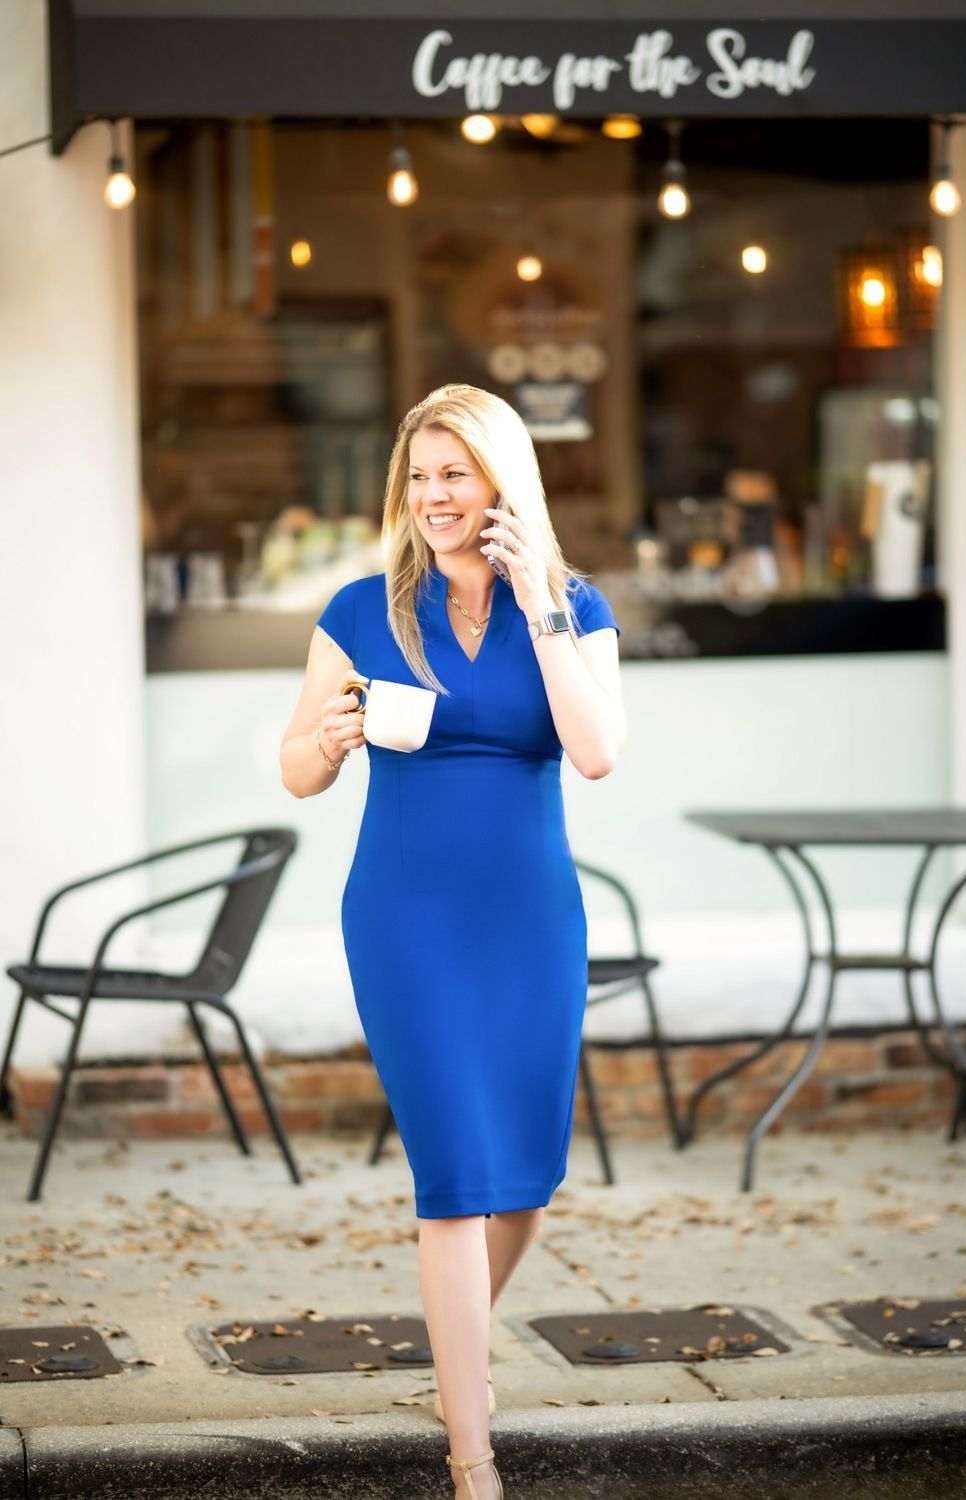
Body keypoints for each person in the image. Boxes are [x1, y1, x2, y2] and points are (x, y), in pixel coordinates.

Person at [279, 383, 626, 1498]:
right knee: (456, 1181)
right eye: (418, 476)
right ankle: (470, 1458)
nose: (432, 496)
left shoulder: (572, 604)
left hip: (530, 917)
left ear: (500, 485)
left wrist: (538, 601)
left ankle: (453, 1357)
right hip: (407, 918)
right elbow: (293, 765)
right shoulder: (360, 608)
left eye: (454, 475)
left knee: (524, 1180)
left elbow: (596, 752)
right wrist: (328, 744)